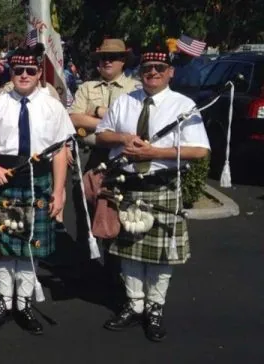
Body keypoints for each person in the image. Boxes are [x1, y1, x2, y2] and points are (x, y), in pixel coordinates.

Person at [95, 45, 209, 342]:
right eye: (147, 68)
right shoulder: (125, 102)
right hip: (128, 184)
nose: (153, 73)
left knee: (161, 255)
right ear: (140, 72)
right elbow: (101, 135)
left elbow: (199, 150)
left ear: (171, 72)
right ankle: (134, 305)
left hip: (162, 184)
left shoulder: (183, 106)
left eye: (160, 68)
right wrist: (123, 138)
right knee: (129, 252)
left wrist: (153, 152)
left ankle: (155, 308)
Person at [0, 44, 74, 335]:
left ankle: (24, 304)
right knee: (4, 248)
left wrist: (59, 192)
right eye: (19, 70)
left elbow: (60, 152)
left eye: (30, 70)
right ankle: (5, 302)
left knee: (30, 247)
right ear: (11, 72)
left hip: (38, 181)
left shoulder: (53, 106)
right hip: (4, 180)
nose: (24, 75)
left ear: (39, 72)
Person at [69, 38, 141, 171]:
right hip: (88, 153)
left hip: (122, 153)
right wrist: (112, 124)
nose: (107, 61)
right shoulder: (87, 87)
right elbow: (74, 118)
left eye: (112, 57)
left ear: (123, 60)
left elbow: (137, 124)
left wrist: (98, 111)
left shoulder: (135, 89)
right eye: (103, 58)